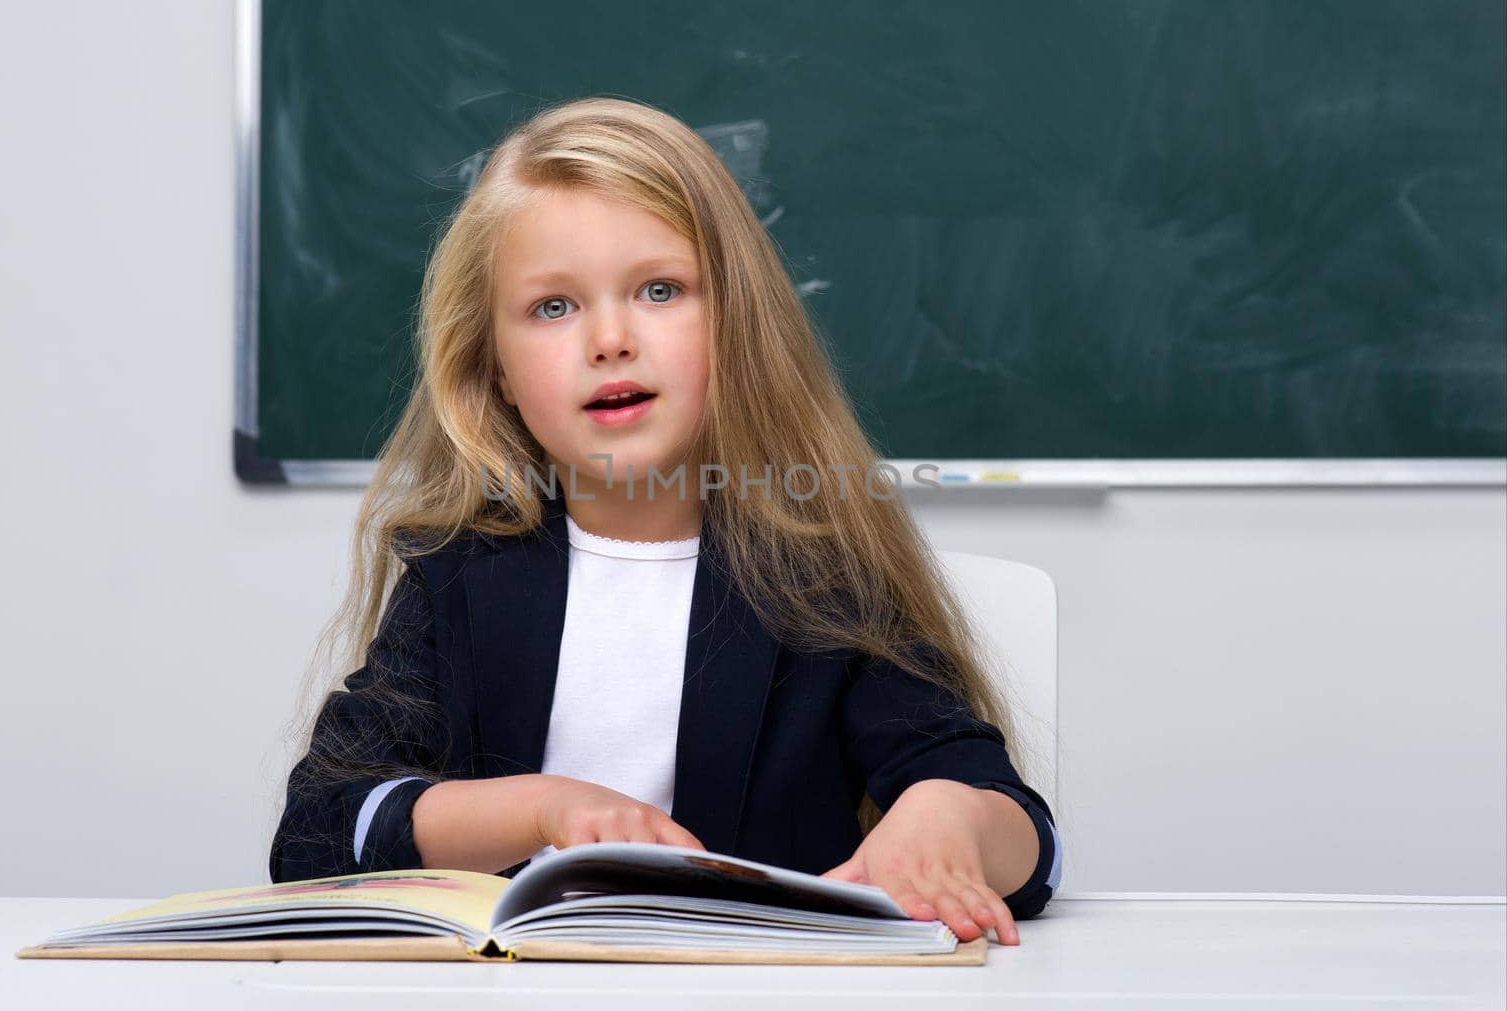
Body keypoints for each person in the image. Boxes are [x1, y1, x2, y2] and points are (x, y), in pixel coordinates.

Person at [269, 96, 1062, 946]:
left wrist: (949, 814)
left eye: (659, 290)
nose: (610, 338)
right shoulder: (457, 570)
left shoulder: (822, 574)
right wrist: (545, 806)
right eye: (553, 307)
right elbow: (317, 832)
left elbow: (1031, 846)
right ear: (493, 370)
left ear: (738, 326)